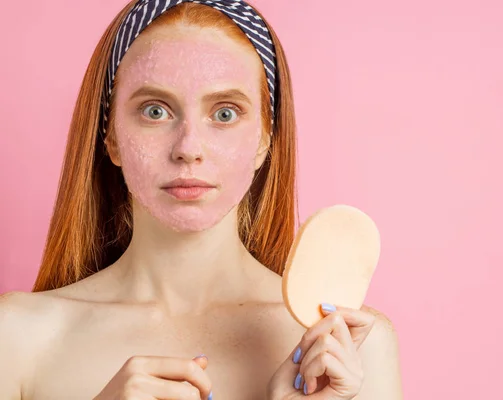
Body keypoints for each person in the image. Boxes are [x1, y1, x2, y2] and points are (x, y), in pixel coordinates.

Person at [0, 1, 403, 398]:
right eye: (155, 111)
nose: (189, 148)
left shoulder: (349, 350)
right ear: (111, 138)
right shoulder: (16, 337)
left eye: (225, 113)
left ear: (265, 140)